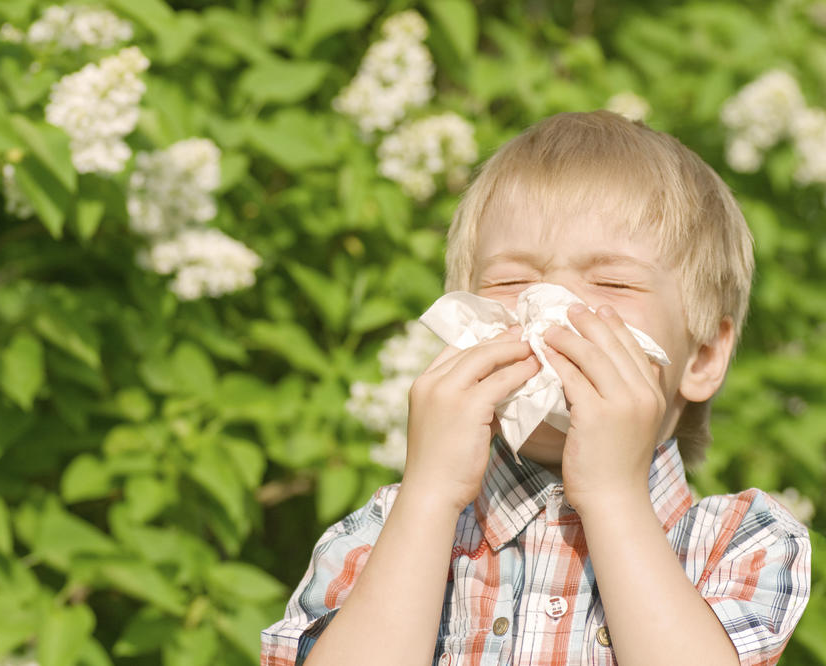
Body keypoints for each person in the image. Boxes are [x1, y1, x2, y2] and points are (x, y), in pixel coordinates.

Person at [260, 110, 812, 666]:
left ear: (704, 356)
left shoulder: (740, 541)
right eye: (512, 280)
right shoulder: (386, 529)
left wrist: (613, 495)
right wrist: (430, 493)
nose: (549, 307)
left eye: (613, 282)